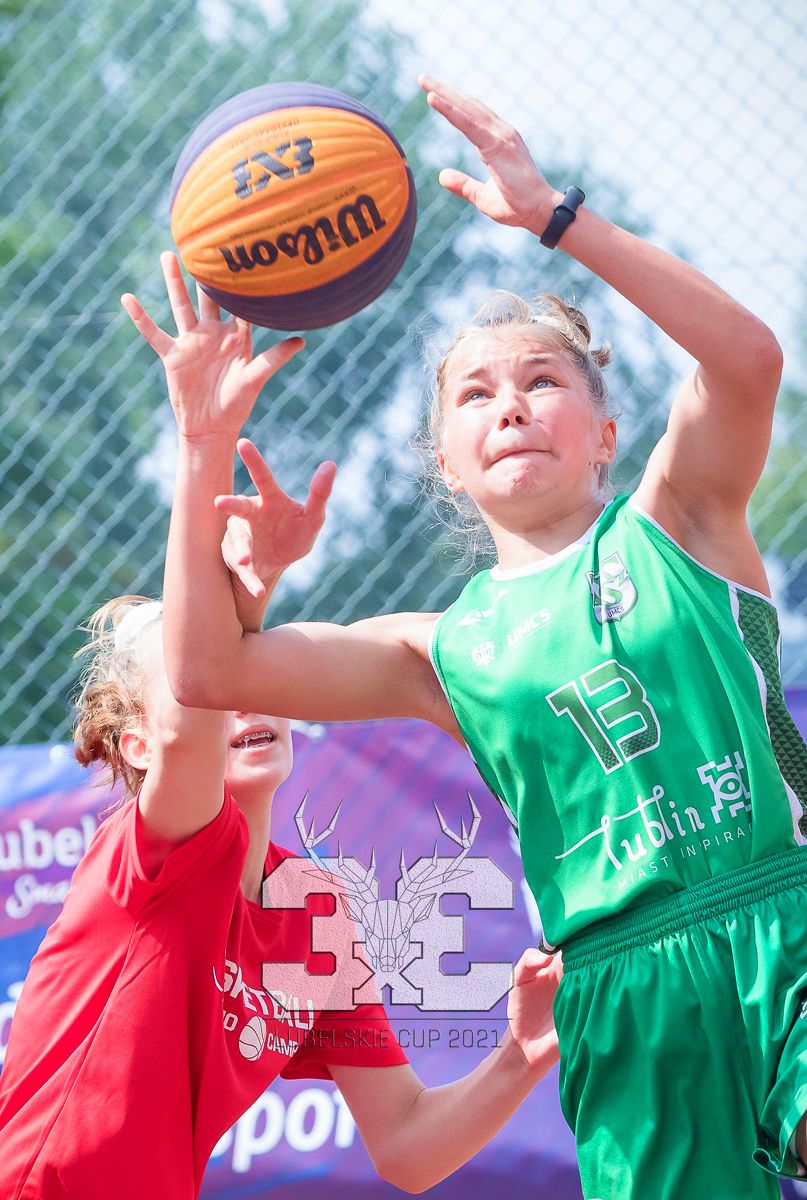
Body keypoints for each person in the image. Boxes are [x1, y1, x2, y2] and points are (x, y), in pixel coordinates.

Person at [122, 73, 807, 1200]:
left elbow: (748, 360)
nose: (512, 405)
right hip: (624, 987)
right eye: (476, 396)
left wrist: (556, 218)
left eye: (543, 381)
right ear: (445, 461)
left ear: (605, 432)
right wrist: (203, 445)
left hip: (784, 906)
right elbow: (207, 669)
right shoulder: (440, 650)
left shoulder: (681, 518)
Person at [0, 593, 560, 1199]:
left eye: (253, 675)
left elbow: (407, 1143)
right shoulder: (162, 849)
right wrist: (237, 572)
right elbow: (186, 726)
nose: (244, 697)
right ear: (142, 746)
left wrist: (522, 1052)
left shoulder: (315, 914)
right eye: (212, 682)